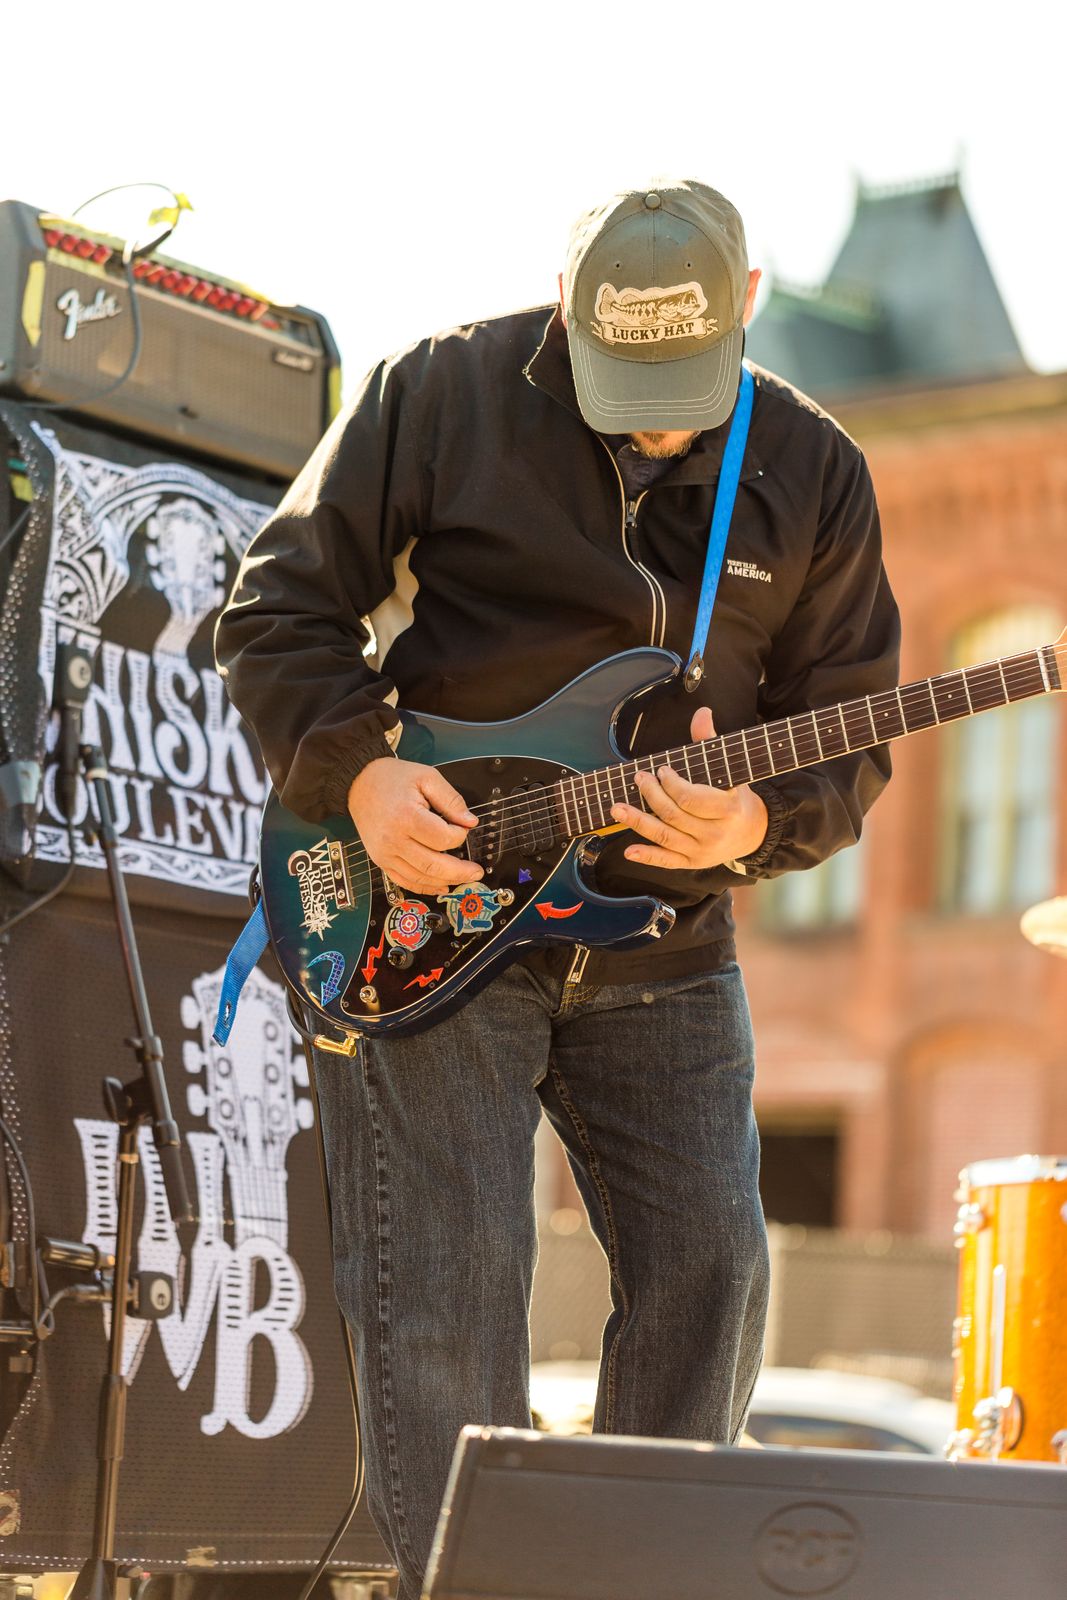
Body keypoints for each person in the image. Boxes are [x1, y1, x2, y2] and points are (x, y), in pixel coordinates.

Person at [215, 178, 900, 1598]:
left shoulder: (816, 471)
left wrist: (755, 822)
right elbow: (277, 605)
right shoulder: (440, 391)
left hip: (664, 943)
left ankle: (645, 1580)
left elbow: (851, 731)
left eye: (679, 397)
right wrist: (360, 775)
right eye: (619, 390)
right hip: (429, 917)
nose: (651, 429)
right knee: (450, 1304)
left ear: (748, 306)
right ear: (570, 316)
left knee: (714, 1274)